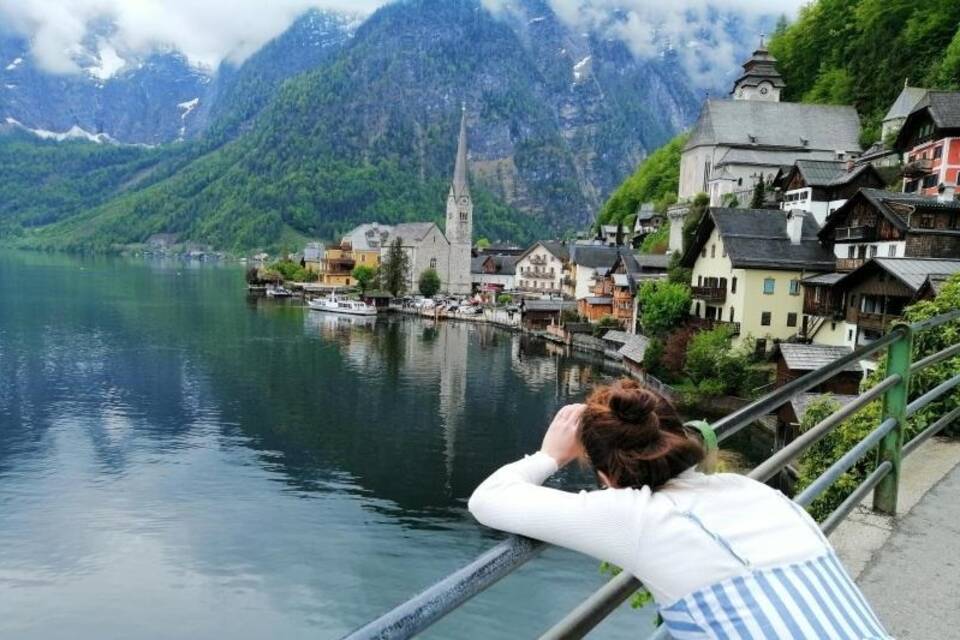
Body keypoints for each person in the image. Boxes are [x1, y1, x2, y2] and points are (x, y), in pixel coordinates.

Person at [468, 379, 890, 639]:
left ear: (607, 478)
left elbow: (488, 499)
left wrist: (550, 456)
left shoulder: (638, 516)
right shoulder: (757, 492)